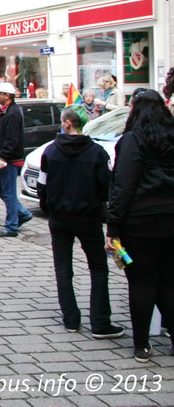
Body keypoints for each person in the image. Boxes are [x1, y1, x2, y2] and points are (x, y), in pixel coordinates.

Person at [37, 105, 123, 338]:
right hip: (88, 218)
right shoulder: (97, 153)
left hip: (59, 218)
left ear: (67, 123)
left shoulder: (50, 151)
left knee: (63, 268)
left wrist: (49, 207)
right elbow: (106, 188)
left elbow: (42, 186)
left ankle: (71, 319)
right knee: (98, 267)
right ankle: (100, 322)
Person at [106, 89, 174, 362]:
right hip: (171, 219)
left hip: (140, 222)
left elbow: (123, 185)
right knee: (168, 282)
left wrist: (113, 227)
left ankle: (142, 345)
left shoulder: (133, 140)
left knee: (141, 284)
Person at [0, 82, 33, 238]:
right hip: (1, 158)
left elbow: (11, 138)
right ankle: (22, 213)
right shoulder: (5, 111)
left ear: (7, 96)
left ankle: (11, 226)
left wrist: (3, 157)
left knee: (9, 193)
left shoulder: (12, 113)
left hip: (7, 160)